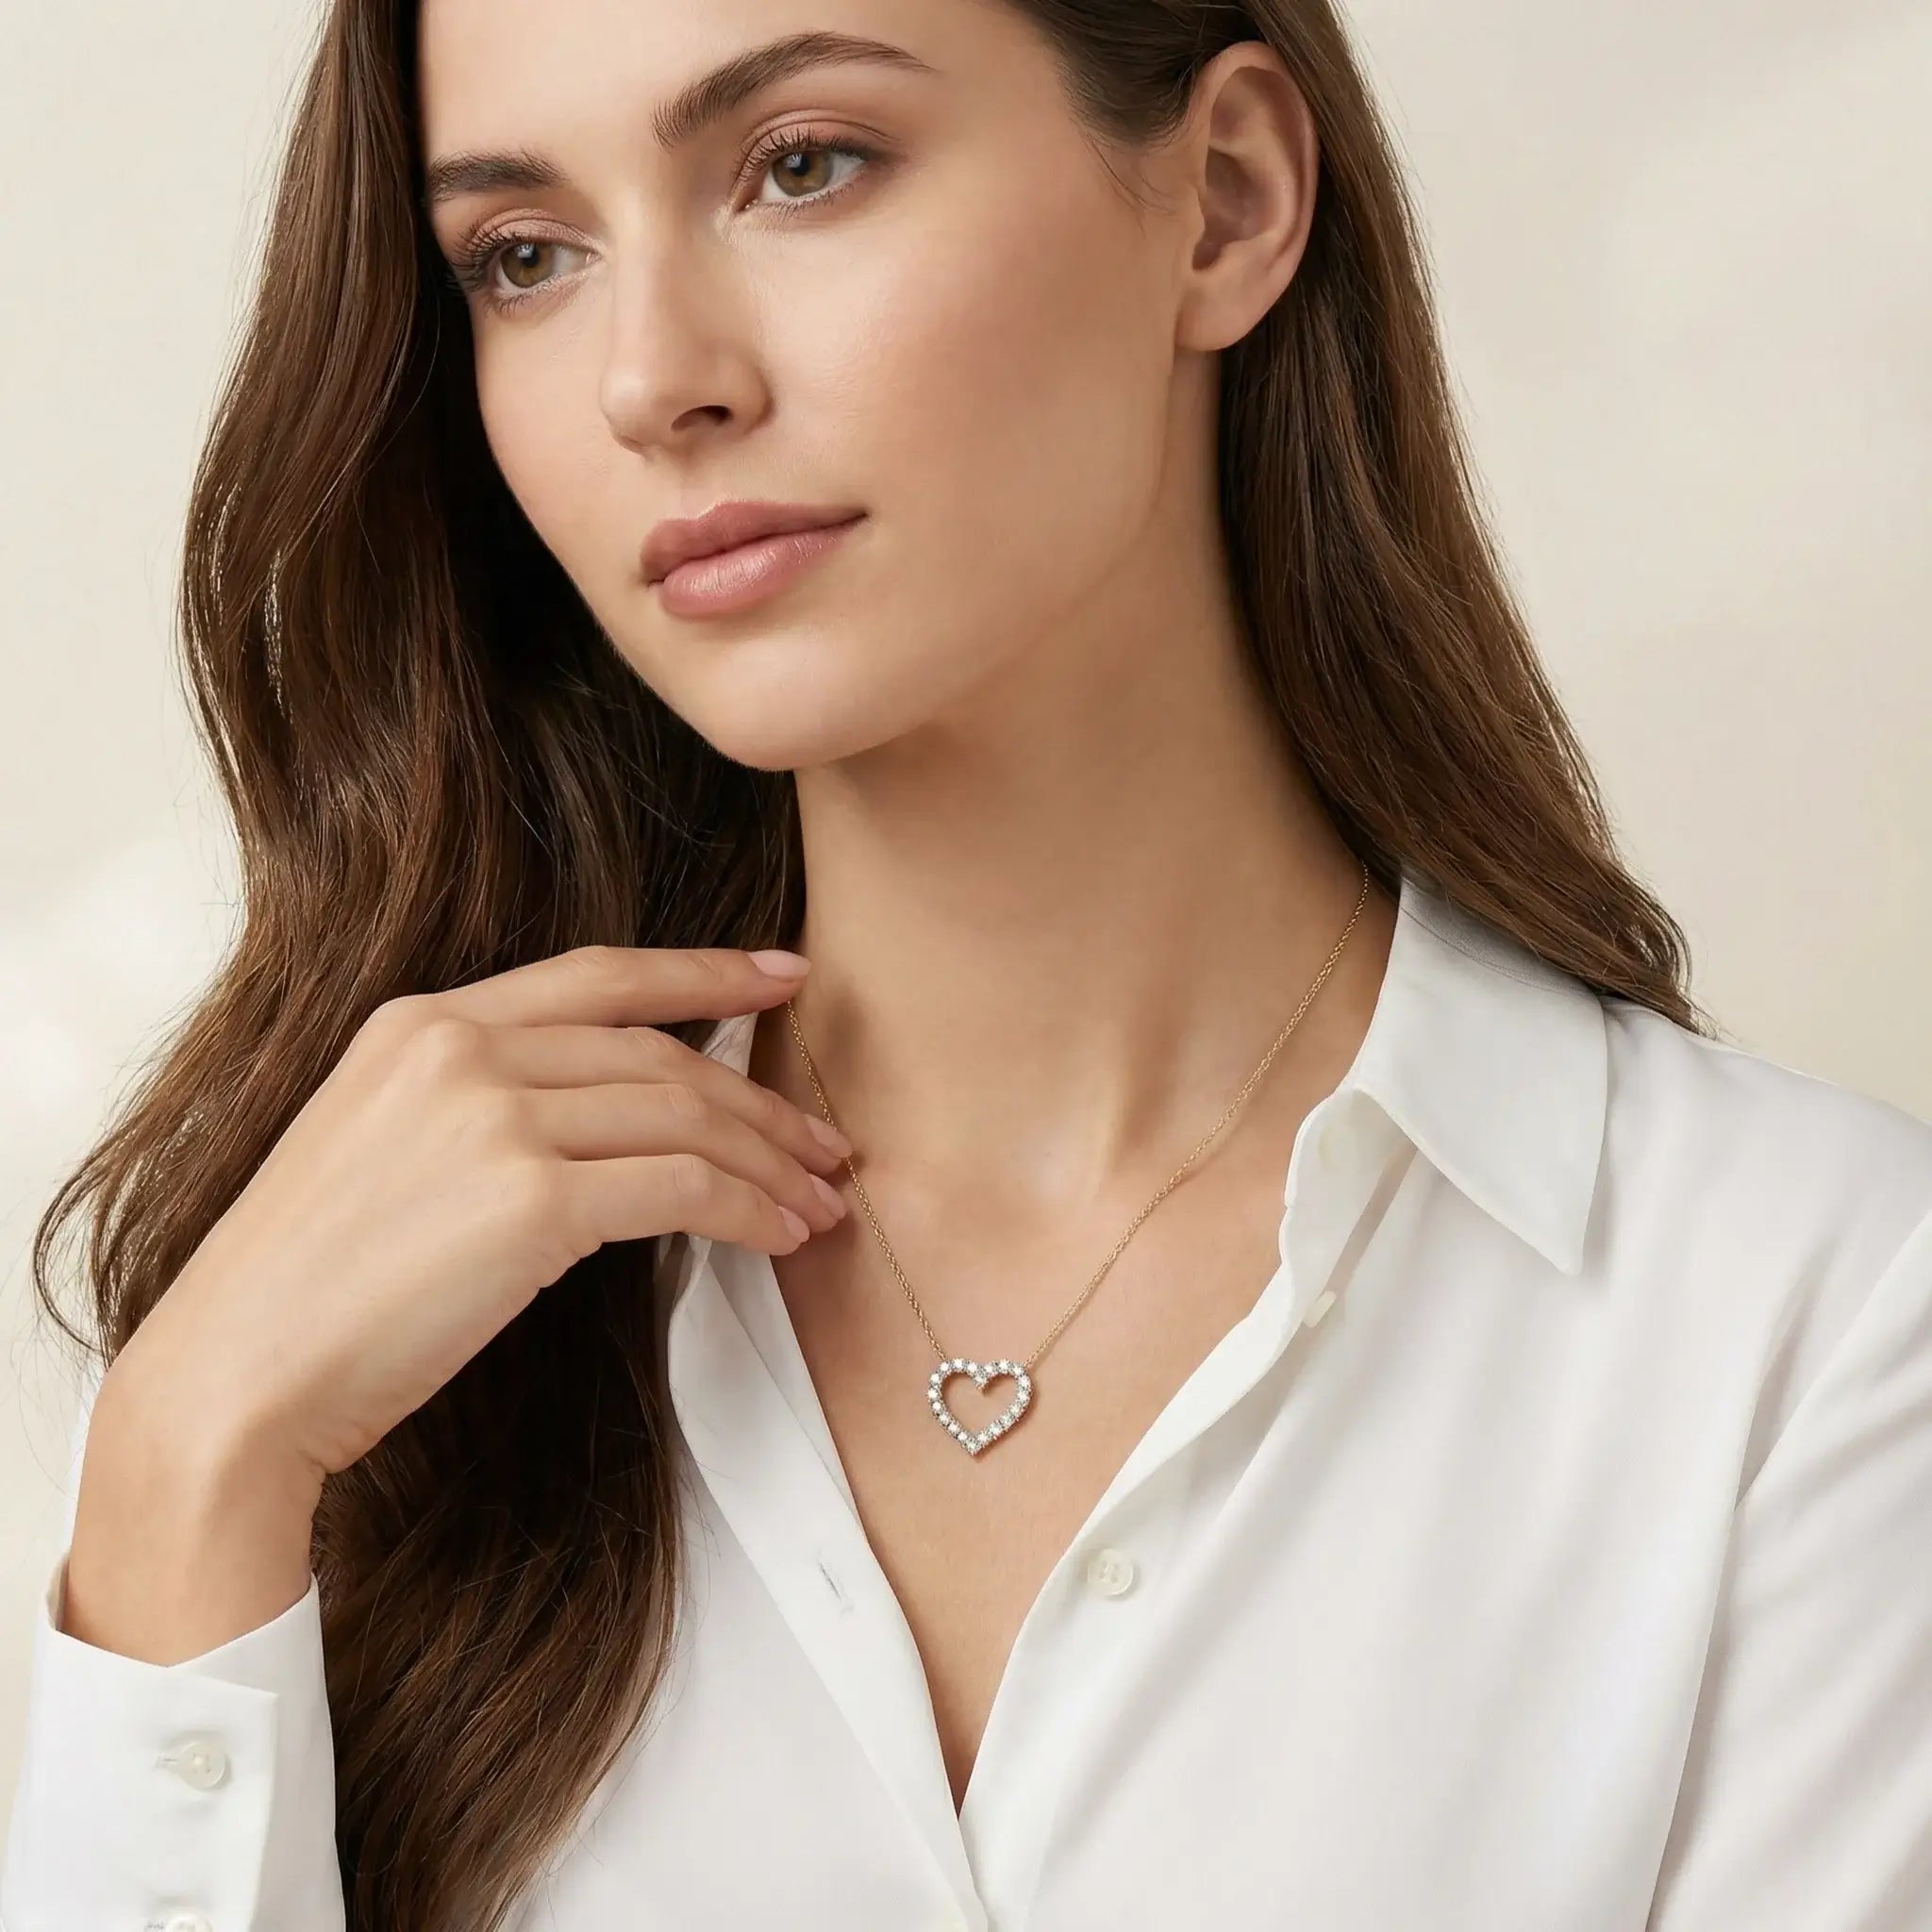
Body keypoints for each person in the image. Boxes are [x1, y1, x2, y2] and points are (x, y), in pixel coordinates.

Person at [7, 1, 1932, 1928]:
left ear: (1224, 202)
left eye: (803, 164)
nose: (648, 378)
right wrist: (184, 1474)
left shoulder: (1812, 1322)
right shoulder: (323, 1325)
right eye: (526, 257)